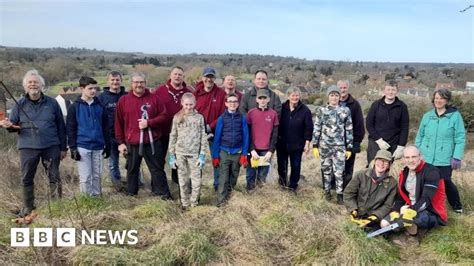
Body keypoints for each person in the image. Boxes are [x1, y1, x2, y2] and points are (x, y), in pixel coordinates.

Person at [0, 70, 67, 216]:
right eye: (30, 82)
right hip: (27, 147)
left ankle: (57, 207)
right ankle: (28, 207)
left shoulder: (53, 103)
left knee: (54, 175)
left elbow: (61, 126)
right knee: (26, 177)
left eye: (36, 82)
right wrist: (8, 125)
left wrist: (63, 148)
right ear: (25, 87)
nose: (33, 84)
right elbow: (13, 125)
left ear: (42, 85)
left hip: (51, 146)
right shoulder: (19, 104)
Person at [115, 73, 172, 198]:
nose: (139, 85)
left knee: (157, 169)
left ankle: (162, 194)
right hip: (133, 141)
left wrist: (149, 123)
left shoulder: (154, 99)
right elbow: (118, 122)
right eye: (136, 82)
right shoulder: (124, 100)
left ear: (145, 83)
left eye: (141, 82)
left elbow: (164, 116)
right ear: (131, 84)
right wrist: (121, 142)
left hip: (152, 141)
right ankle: (131, 194)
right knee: (132, 169)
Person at [380, 145, 447, 245]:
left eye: (414, 157)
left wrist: (410, 211)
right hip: (410, 206)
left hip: (430, 210)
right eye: (407, 157)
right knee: (384, 223)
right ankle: (399, 233)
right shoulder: (405, 172)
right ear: (403, 159)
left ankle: (413, 238)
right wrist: (395, 211)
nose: (410, 160)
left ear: (420, 156)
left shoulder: (431, 172)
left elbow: (426, 199)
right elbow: (401, 197)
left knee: (409, 219)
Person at [415, 89, 465, 214]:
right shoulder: (427, 116)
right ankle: (423, 206)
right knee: (423, 182)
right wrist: (418, 153)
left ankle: (457, 206)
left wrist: (457, 156)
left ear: (447, 100)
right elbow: (419, 136)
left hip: (444, 158)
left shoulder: (455, 116)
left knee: (446, 182)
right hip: (426, 157)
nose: (438, 100)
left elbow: (460, 138)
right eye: (436, 98)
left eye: (441, 98)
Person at [67, 76, 110, 196]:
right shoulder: (74, 107)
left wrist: (108, 145)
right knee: (86, 177)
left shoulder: (100, 106)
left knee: (97, 176)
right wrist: (73, 148)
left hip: (99, 146)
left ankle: (97, 199)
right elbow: (70, 129)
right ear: (82, 88)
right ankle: (86, 200)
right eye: (90, 88)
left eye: (95, 88)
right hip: (83, 146)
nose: (93, 91)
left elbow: (106, 127)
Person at [313, 85, 353, 204]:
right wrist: (315, 145)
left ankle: (340, 194)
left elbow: (349, 129)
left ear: (340, 97)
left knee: (339, 171)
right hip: (324, 146)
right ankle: (327, 191)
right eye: (332, 95)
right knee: (326, 170)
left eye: (336, 95)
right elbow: (317, 127)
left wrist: (349, 147)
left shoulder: (345, 111)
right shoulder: (321, 110)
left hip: (339, 146)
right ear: (328, 96)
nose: (334, 98)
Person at [168, 93, 207, 210]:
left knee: (196, 181)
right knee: (183, 181)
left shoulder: (199, 118)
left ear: (195, 104)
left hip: (194, 154)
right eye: (186, 104)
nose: (189, 107)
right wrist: (171, 155)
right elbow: (173, 135)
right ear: (182, 103)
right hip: (180, 153)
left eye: (191, 104)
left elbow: (203, 136)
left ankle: (194, 203)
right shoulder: (177, 117)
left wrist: (202, 154)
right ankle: (184, 204)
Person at [154, 66, 193, 185]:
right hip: (162, 132)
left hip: (181, 135)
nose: (177, 76)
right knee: (159, 160)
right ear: (170, 75)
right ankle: (159, 186)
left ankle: (177, 184)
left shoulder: (189, 92)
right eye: (175, 74)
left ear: (183, 77)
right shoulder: (160, 91)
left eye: (180, 74)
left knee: (179, 161)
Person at [211, 93, 249, 206]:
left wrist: (244, 154)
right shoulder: (222, 118)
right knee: (223, 177)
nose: (232, 103)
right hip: (224, 152)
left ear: (238, 104)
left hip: (237, 152)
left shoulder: (242, 118)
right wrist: (215, 156)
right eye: (230, 101)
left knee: (234, 176)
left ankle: (230, 195)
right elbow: (217, 137)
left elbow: (246, 136)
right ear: (226, 103)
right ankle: (221, 201)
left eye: (235, 102)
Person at [344, 150, 397, 228]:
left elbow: (388, 205)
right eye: (379, 160)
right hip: (357, 214)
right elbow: (348, 194)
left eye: (385, 162)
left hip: (374, 218)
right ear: (375, 161)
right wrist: (353, 210)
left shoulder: (393, 183)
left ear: (389, 165)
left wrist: (375, 216)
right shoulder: (360, 175)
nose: (381, 164)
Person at [194, 67, 226, 191]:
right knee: (196, 160)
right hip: (197, 132)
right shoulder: (196, 93)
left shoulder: (221, 94)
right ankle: (196, 185)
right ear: (202, 78)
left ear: (214, 79)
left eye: (212, 77)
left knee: (216, 159)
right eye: (207, 77)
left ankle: (217, 185)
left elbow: (223, 114)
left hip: (214, 132)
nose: (209, 79)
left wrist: (210, 126)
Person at [276, 86, 313, 193]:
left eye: (297, 95)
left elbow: (309, 128)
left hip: (297, 145)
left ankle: (293, 186)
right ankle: (282, 184)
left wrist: (307, 143)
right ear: (288, 96)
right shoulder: (282, 108)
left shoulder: (305, 110)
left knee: (295, 167)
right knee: (282, 166)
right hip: (282, 143)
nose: (295, 97)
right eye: (293, 95)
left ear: (299, 96)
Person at [366, 79, 409, 164]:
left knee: (391, 171)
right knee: (374, 168)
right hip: (376, 143)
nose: (390, 92)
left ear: (397, 91)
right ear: (384, 91)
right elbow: (369, 124)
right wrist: (378, 140)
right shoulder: (376, 105)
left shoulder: (402, 107)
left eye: (393, 90)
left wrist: (401, 146)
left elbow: (405, 127)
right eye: (388, 89)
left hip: (394, 144)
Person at [98, 70, 127, 189]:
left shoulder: (127, 96)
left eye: (117, 80)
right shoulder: (101, 98)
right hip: (110, 135)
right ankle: (117, 183)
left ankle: (135, 181)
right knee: (113, 162)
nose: (115, 82)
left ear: (121, 81)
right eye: (112, 80)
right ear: (108, 81)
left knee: (132, 160)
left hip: (126, 134)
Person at [246, 89, 279, 191]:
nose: (262, 100)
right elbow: (247, 133)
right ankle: (250, 193)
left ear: (268, 99)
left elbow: (275, 134)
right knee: (251, 174)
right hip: (253, 150)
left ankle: (260, 195)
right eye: (260, 98)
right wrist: (251, 149)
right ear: (257, 99)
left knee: (262, 175)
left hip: (266, 151)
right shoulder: (251, 113)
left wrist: (270, 151)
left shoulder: (273, 114)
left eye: (265, 98)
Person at [337, 80, 365, 189]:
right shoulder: (332, 101)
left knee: (348, 167)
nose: (342, 90)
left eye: (344, 88)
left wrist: (357, 142)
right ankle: (334, 188)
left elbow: (359, 124)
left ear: (348, 88)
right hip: (334, 142)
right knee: (334, 166)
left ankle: (346, 189)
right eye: (340, 87)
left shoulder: (354, 104)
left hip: (349, 142)